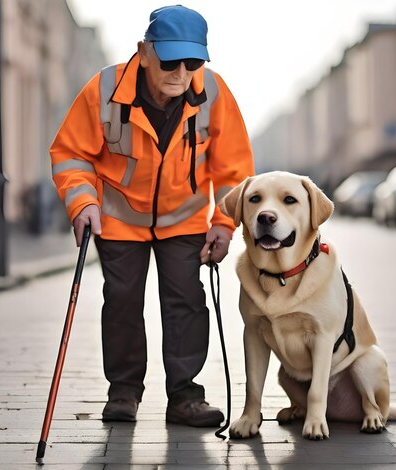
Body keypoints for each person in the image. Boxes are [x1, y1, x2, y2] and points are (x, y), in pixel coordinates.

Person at [49, 5, 254, 427]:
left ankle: (185, 397)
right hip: (119, 218)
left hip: (184, 220)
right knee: (122, 301)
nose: (181, 72)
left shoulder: (212, 93)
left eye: (192, 61)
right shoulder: (104, 89)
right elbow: (71, 154)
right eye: (170, 60)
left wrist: (223, 222)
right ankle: (123, 392)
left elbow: (233, 170)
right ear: (144, 51)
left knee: (186, 302)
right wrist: (83, 203)